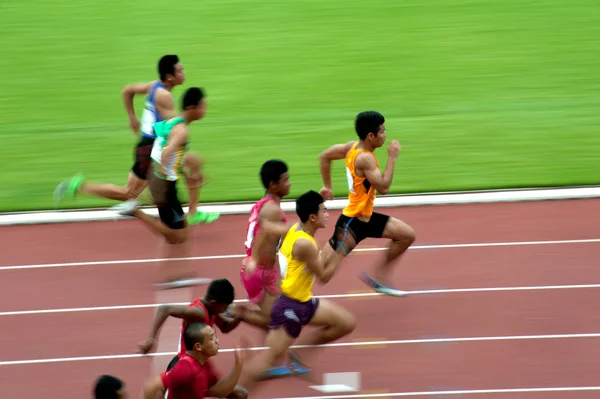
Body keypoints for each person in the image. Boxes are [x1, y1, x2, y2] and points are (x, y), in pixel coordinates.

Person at [53, 55, 216, 225]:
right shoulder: (165, 97)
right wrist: (181, 169)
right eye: (180, 71)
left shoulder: (154, 86)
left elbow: (127, 90)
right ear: (169, 76)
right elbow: (175, 129)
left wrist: (132, 118)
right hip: (150, 149)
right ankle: (79, 187)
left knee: (195, 163)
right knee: (128, 193)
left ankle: (193, 212)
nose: (184, 74)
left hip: (148, 144)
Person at [238, 190, 356, 390]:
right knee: (267, 360)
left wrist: (254, 259)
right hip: (289, 308)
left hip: (304, 302)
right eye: (324, 211)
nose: (327, 214)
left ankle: (298, 354)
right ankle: (235, 393)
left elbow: (266, 229)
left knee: (346, 323)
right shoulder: (305, 244)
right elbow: (324, 277)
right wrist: (342, 250)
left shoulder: (295, 229)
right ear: (312, 217)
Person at [111, 87, 216, 288]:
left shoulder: (173, 121)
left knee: (180, 231)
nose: (205, 109)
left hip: (163, 180)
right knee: (175, 234)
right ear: (193, 107)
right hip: (164, 184)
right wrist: (163, 173)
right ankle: (135, 211)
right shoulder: (182, 130)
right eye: (204, 106)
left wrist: (181, 173)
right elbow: (168, 151)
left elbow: (164, 143)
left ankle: (178, 275)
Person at [318, 110, 416, 296]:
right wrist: (393, 157)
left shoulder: (351, 146)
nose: (385, 135)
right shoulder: (365, 158)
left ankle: (378, 277)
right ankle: (294, 254)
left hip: (366, 218)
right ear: (371, 136)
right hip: (351, 224)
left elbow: (325, 156)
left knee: (407, 235)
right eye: (382, 131)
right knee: (324, 273)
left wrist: (327, 186)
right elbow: (384, 187)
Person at [234, 159, 310, 379]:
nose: (289, 183)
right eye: (285, 180)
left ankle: (279, 357)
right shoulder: (271, 210)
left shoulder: (265, 204)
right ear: (272, 184)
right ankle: (239, 313)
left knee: (276, 316)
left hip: (262, 271)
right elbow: (264, 237)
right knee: (277, 320)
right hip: (261, 273)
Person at [138, 278, 244, 370]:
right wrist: (151, 339)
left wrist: (241, 317)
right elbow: (164, 309)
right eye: (225, 307)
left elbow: (225, 327)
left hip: (198, 360)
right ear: (213, 302)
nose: (226, 310)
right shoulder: (199, 312)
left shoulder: (211, 309)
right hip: (185, 363)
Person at [142, 322, 248, 399]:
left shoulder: (205, 365)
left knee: (240, 394)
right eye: (212, 338)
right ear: (198, 346)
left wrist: (238, 366)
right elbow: (152, 386)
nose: (217, 340)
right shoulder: (186, 368)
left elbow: (221, 391)